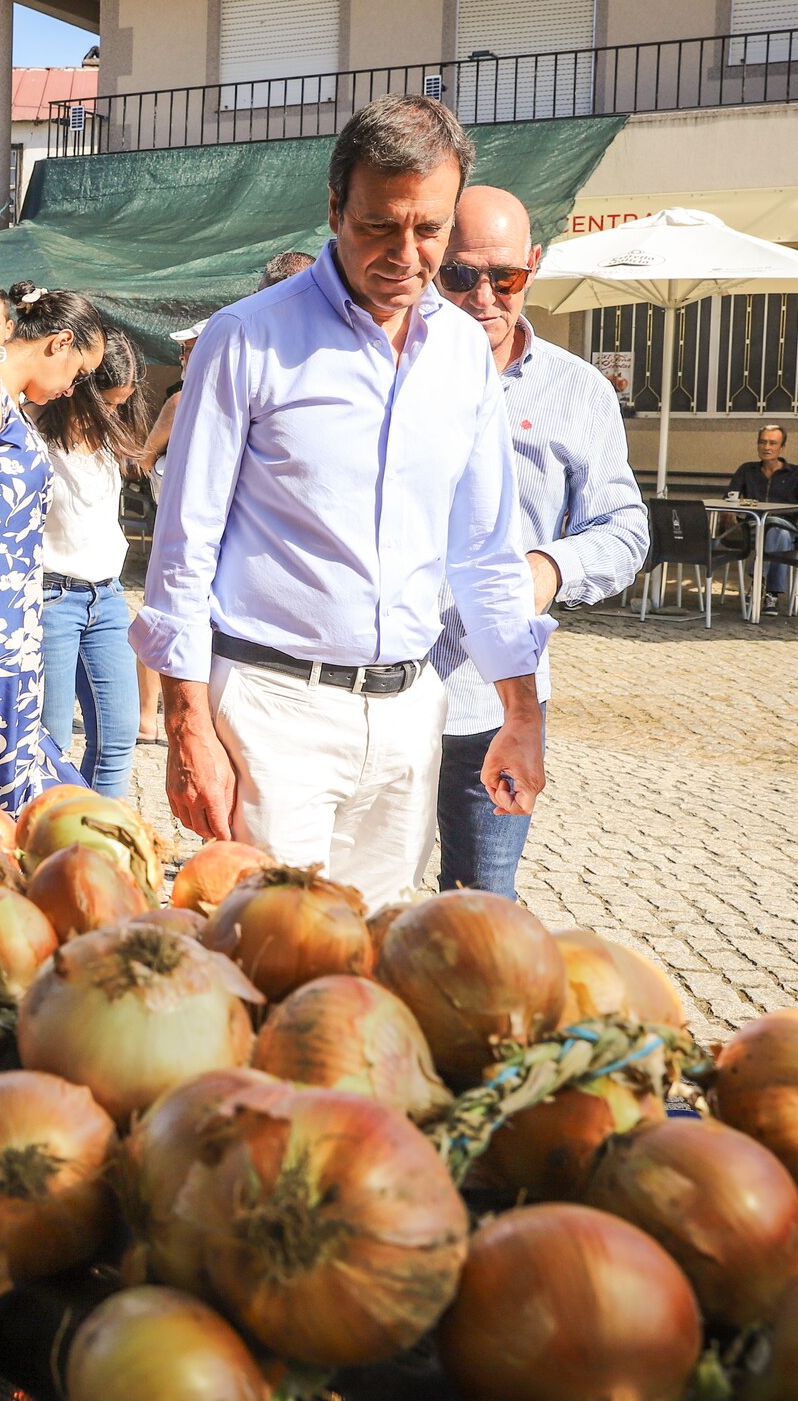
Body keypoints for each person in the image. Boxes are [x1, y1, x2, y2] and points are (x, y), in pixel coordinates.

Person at [131, 97, 550, 910]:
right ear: (334, 210)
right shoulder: (247, 338)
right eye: (378, 227)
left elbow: (486, 554)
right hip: (270, 709)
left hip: (406, 716)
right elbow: (184, 547)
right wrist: (188, 726)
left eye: (428, 230)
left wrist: (520, 709)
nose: (405, 253)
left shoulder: (464, 354)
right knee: (269, 955)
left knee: (372, 963)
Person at [428, 187, 649, 898]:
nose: (484, 296)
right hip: (383, 685)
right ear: (433, 267)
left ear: (535, 264)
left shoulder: (579, 391)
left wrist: (553, 566)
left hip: (502, 698)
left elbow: (625, 526)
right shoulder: (387, 373)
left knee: (482, 906)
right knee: (355, 899)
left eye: (506, 277)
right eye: (461, 276)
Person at [134, 250, 316, 744]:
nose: (186, 354)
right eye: (189, 347)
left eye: (190, 345)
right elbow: (147, 461)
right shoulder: (188, 392)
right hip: (204, 550)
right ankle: (150, 714)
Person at [0, 288, 108, 809]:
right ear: (60, 342)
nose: (71, 390)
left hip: (12, 610)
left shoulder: (7, 395)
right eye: (79, 373)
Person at [36, 325, 145, 799]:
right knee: (50, 742)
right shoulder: (36, 434)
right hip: (51, 597)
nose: (118, 412)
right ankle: (45, 853)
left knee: (118, 736)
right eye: (112, 402)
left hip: (108, 596)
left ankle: (99, 846)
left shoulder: (106, 441)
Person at [725, 425, 798, 612]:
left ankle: (759, 581)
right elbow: (730, 496)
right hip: (753, 527)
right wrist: (729, 511)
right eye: (762, 442)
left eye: (772, 443)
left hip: (789, 528)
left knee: (779, 530)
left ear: (782, 447)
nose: (766, 447)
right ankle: (771, 594)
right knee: (777, 532)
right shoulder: (746, 470)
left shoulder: (797, 473)